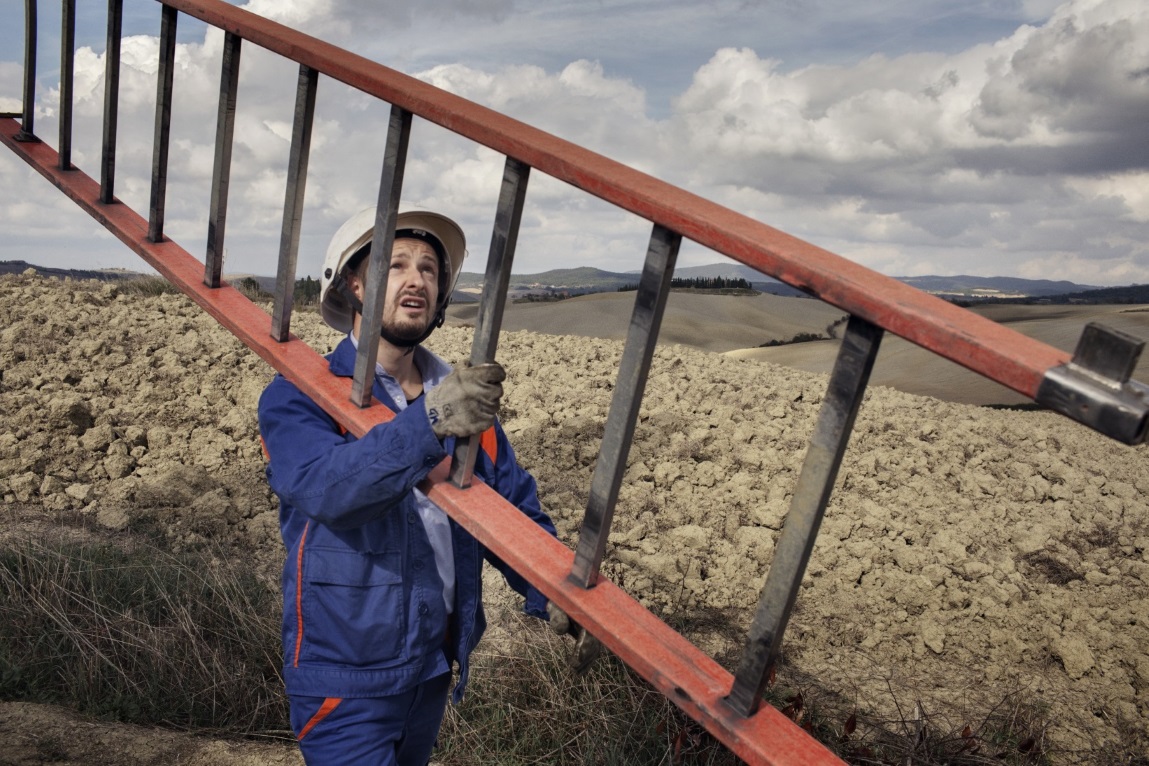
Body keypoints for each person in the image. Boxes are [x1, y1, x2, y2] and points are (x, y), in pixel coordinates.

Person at [258, 207, 558, 765]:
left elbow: (511, 510)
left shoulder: (458, 395)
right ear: (353, 284)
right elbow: (331, 490)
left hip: (431, 665)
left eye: (428, 268)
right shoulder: (302, 394)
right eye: (394, 265)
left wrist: (556, 593)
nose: (416, 279)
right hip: (345, 674)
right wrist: (432, 421)